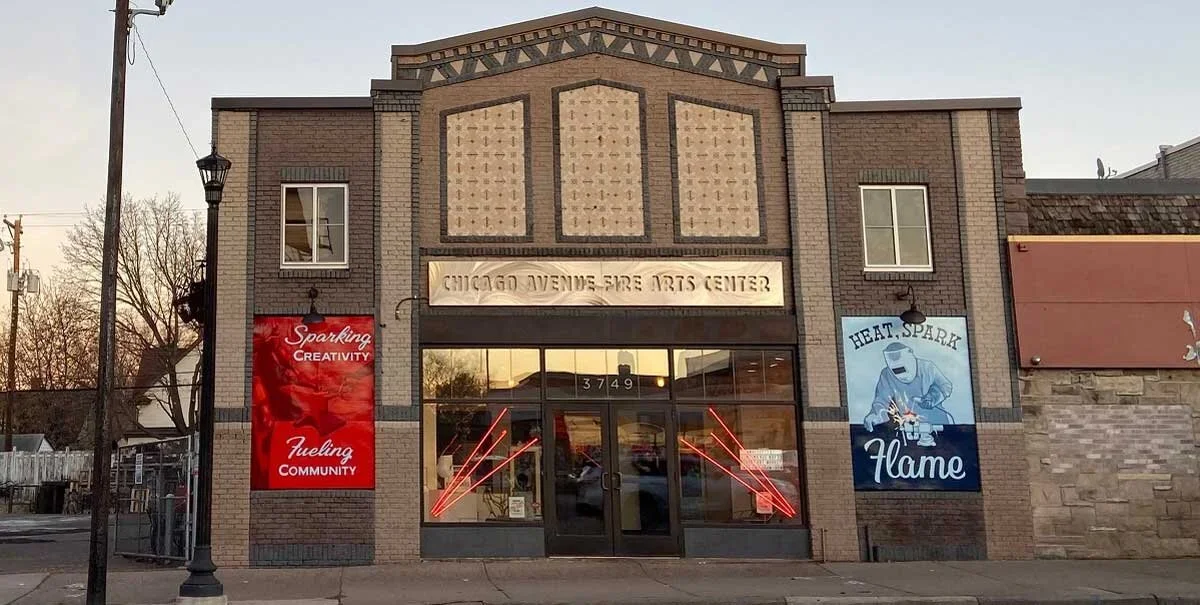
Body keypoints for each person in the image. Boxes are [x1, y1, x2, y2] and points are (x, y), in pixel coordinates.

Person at [862, 342, 954, 431]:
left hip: (937, 425)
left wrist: (933, 397)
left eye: (903, 368)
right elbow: (881, 401)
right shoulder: (886, 375)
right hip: (909, 426)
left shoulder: (927, 367)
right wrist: (875, 415)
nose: (903, 376)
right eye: (896, 371)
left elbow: (945, 386)